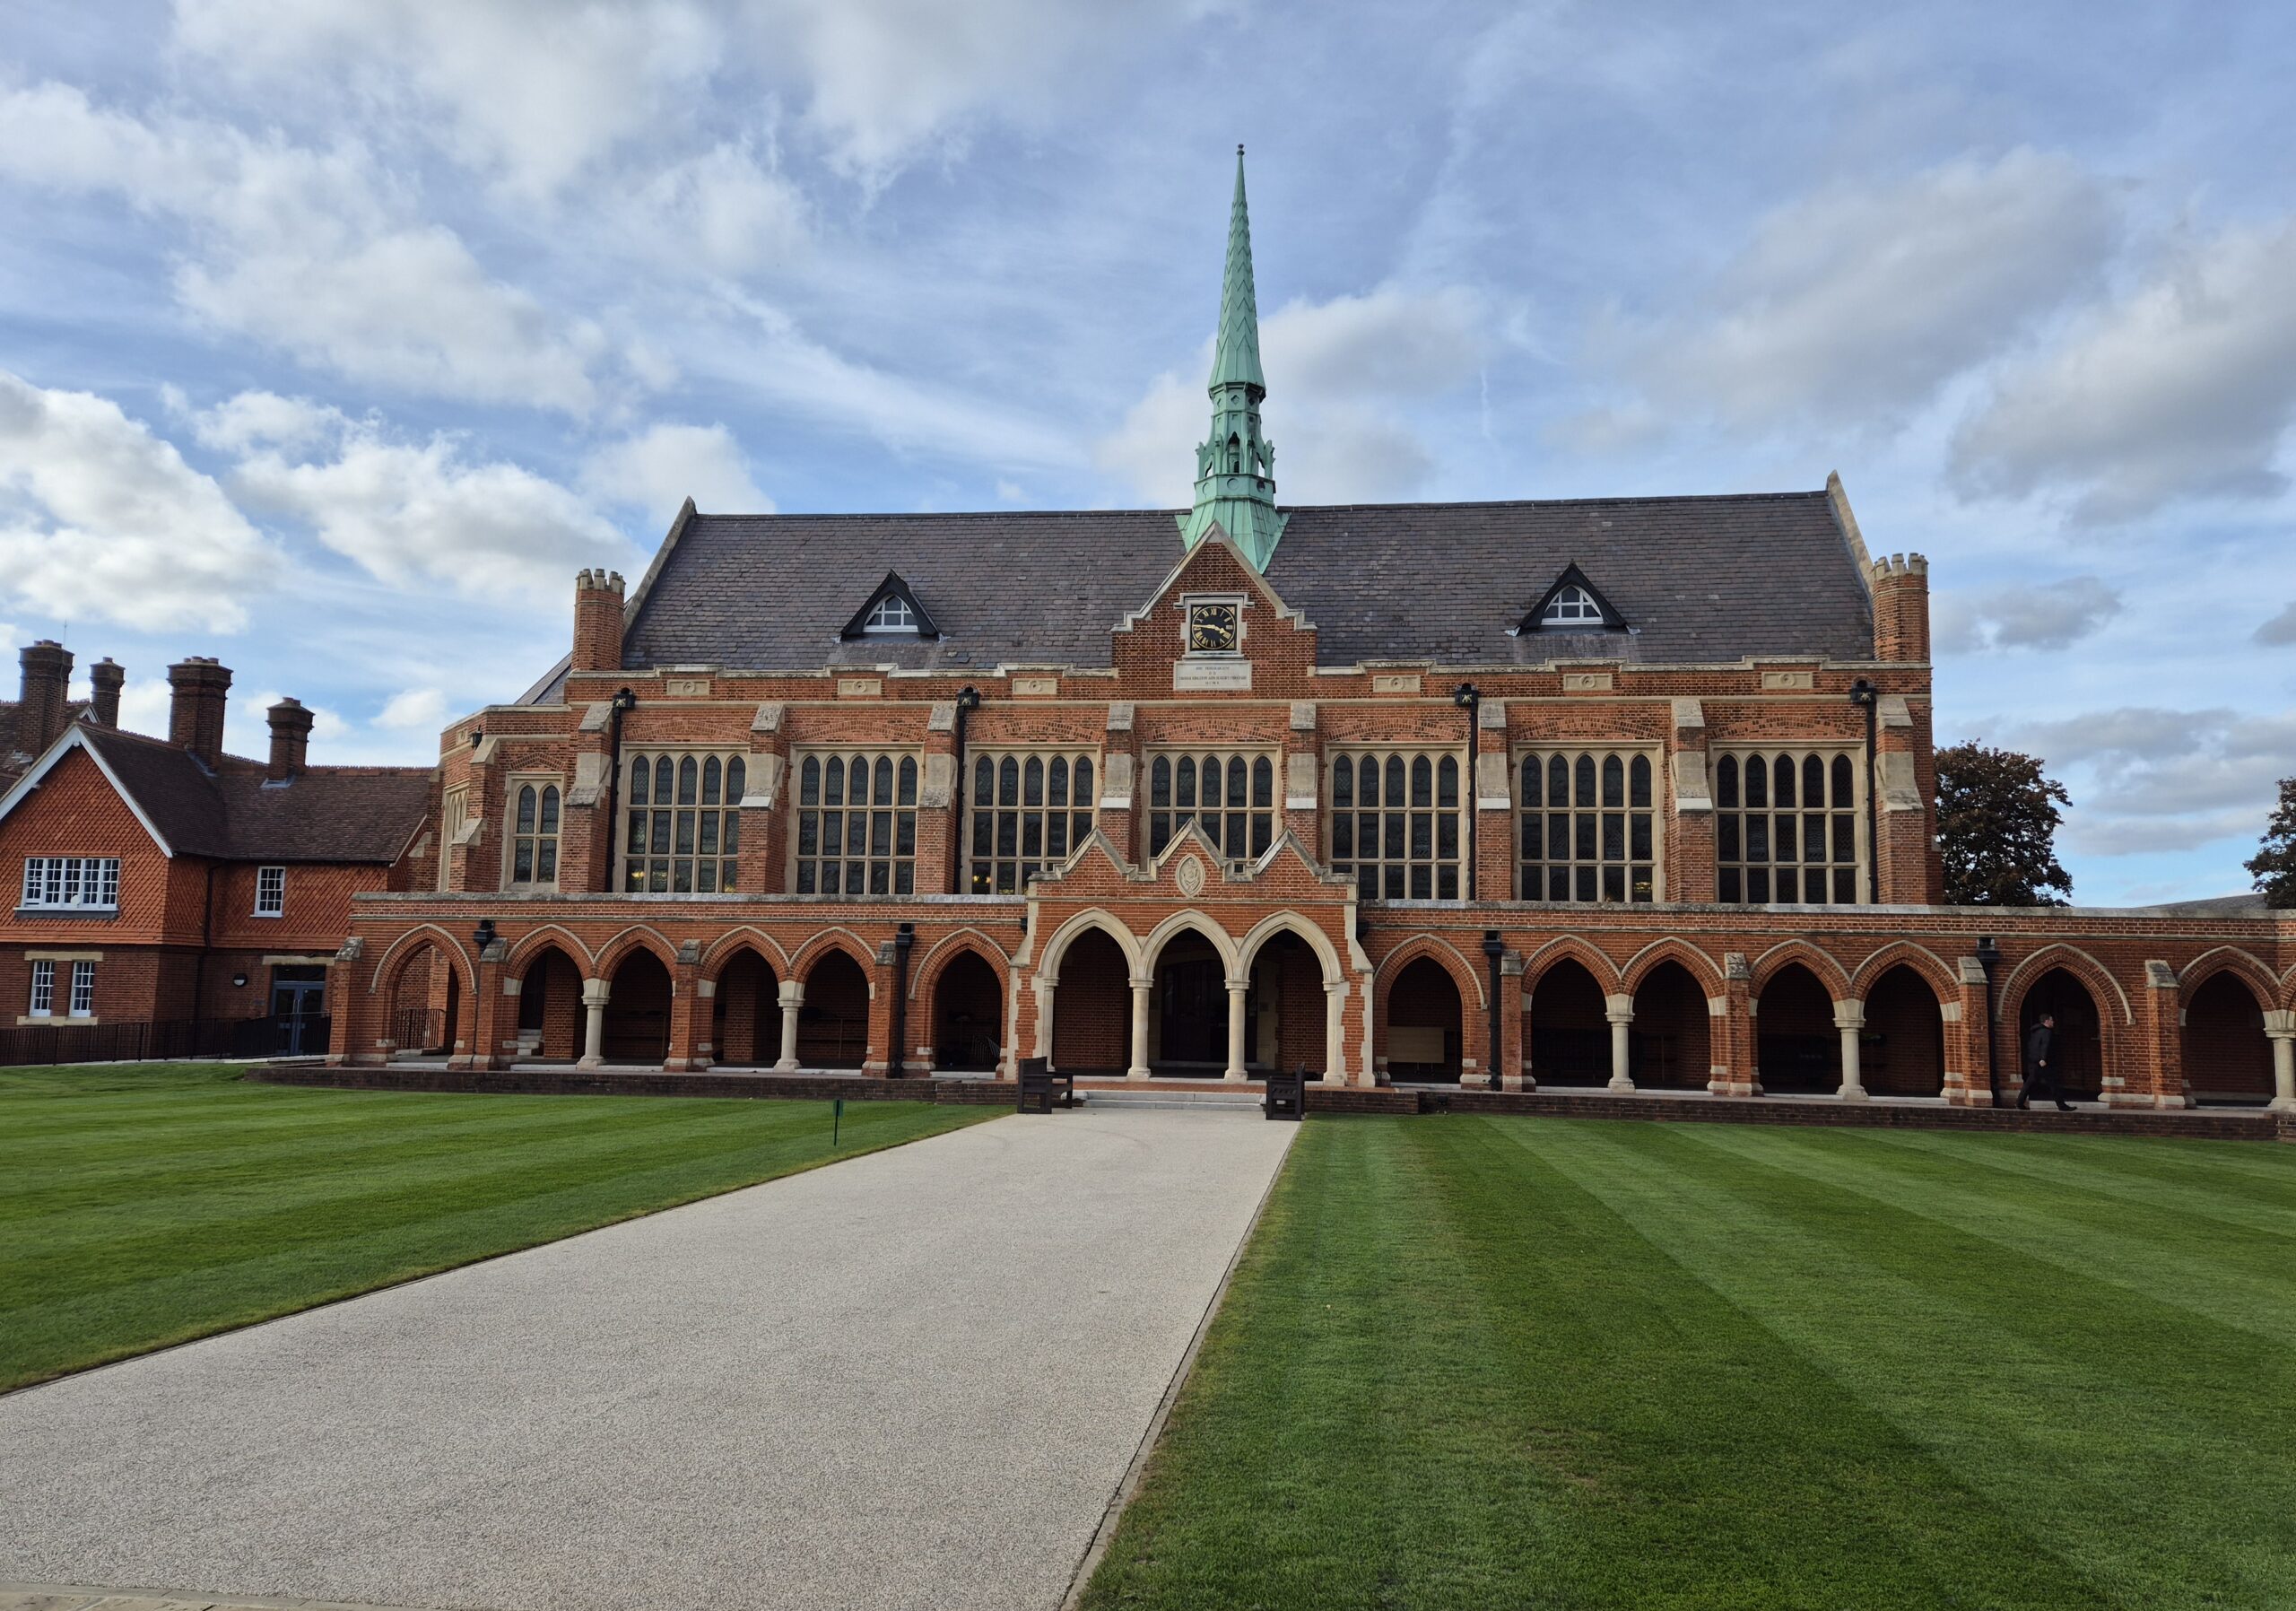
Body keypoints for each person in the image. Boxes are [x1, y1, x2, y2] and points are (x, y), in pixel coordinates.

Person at [2019, 1012, 2073, 1110]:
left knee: (2029, 1083)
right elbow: (2045, 1045)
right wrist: (2043, 1059)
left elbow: (2032, 1046)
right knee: (2054, 1084)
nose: (2053, 1022)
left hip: (2034, 1062)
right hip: (2044, 1063)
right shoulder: (2047, 1032)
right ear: (2047, 1021)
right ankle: (2062, 1106)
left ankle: (2019, 1102)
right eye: (2052, 1020)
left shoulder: (2034, 1032)